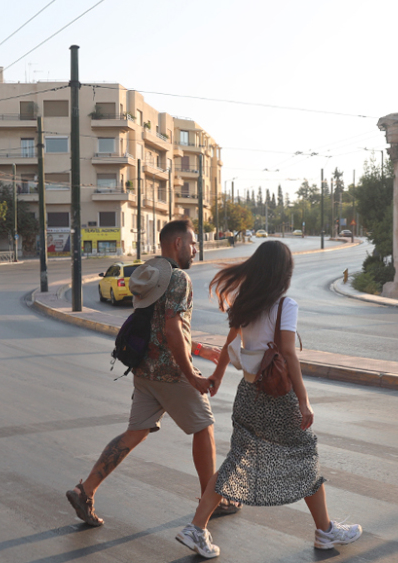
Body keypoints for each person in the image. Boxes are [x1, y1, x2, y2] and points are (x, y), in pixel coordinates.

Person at [175, 240, 362, 558]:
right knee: (304, 456)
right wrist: (303, 400)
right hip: (278, 399)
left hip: (247, 394)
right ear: (284, 272)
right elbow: (288, 353)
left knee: (236, 461)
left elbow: (230, 343)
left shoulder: (244, 301)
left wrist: (218, 375)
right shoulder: (285, 306)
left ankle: (196, 528)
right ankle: (325, 532)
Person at [66, 218, 235, 527]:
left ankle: (84, 490)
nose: (196, 249)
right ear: (178, 244)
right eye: (193, 243)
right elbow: (171, 331)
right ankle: (213, 500)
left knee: (135, 432)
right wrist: (193, 375)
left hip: (144, 370)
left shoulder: (151, 274)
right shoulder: (179, 278)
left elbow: (160, 328)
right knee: (204, 427)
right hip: (172, 373)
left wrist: (199, 349)